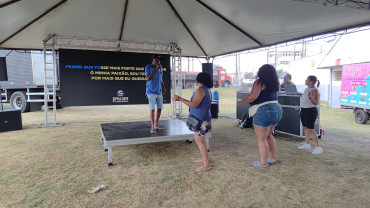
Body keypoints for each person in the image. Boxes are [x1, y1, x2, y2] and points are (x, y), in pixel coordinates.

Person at [238, 64, 282, 168]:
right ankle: (272, 159)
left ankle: (263, 163)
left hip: (264, 110)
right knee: (269, 135)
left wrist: (242, 101)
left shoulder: (259, 82)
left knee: (261, 138)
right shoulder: (275, 83)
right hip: (276, 109)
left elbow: (253, 96)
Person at [172, 73, 212, 172]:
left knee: (199, 142)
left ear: (199, 80)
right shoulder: (206, 89)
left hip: (200, 120)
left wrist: (180, 99)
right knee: (201, 141)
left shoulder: (201, 90)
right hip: (203, 119)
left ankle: (206, 165)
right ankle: (204, 159)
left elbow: (193, 104)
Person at [298, 75, 323, 154]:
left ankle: (318, 147)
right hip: (304, 110)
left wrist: (310, 97)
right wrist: (301, 109)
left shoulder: (315, 90)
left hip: (311, 111)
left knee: (310, 129)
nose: (305, 81)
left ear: (311, 82)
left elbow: (316, 103)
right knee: (306, 128)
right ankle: (307, 144)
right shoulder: (306, 89)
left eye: (307, 80)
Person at [145, 55, 166, 133]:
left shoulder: (160, 67)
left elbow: (161, 78)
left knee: (159, 108)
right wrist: (156, 70)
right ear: (153, 60)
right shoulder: (148, 67)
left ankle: (156, 124)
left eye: (159, 60)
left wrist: (163, 87)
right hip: (151, 91)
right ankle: (152, 127)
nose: (158, 62)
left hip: (159, 91)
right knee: (152, 109)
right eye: (157, 60)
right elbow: (148, 78)